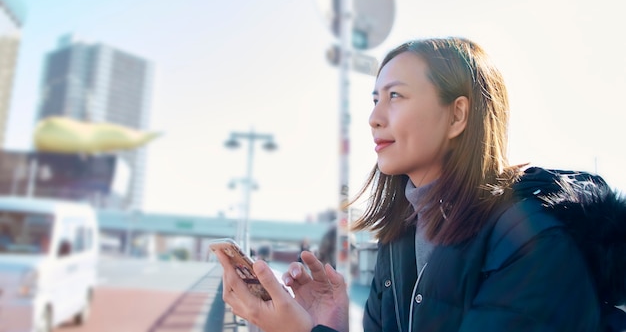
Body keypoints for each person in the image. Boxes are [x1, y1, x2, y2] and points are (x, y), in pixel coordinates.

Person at [215, 37, 626, 332]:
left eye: (395, 96)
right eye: (374, 99)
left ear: (457, 115)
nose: (374, 117)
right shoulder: (400, 239)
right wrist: (331, 324)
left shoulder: (534, 241)